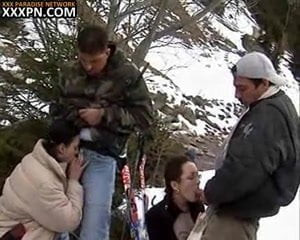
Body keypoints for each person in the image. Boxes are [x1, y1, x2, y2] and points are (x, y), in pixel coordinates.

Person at [50, 25, 153, 239]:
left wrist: (105, 115)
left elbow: (145, 117)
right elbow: (55, 109)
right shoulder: (69, 72)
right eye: (83, 59)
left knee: (94, 227)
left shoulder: (126, 75)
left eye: (94, 61)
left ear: (107, 51)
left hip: (103, 155)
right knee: (55, 223)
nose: (88, 66)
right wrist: (74, 118)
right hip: (67, 153)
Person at [201, 52, 300, 240]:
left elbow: (245, 167)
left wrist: (211, 192)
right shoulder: (272, 106)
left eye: (242, 88)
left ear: (263, 83)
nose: (237, 95)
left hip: (236, 217)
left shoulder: (268, 116)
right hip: (241, 209)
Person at [0, 120, 85, 240]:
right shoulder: (45, 183)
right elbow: (69, 221)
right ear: (61, 149)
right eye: (75, 148)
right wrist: (73, 182)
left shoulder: (33, 159)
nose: (77, 153)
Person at [146, 156, 205, 240]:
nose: (197, 181)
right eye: (191, 178)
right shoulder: (156, 217)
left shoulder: (198, 208)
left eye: (198, 176)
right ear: (175, 185)